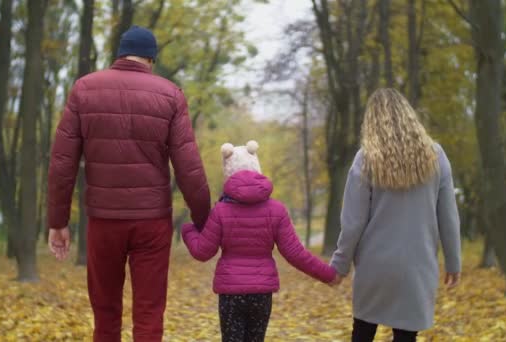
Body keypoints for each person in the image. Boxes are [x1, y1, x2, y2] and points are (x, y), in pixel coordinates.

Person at [47, 26, 211, 342]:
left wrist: (58, 222)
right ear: (151, 58)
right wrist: (205, 220)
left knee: (105, 315)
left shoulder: (84, 89)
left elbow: (62, 163)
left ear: (120, 53)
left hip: (103, 222)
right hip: (152, 223)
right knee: (149, 314)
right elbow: (189, 167)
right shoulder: (170, 95)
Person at [330, 88, 461, 342]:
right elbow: (448, 216)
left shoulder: (366, 159)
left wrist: (340, 264)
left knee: (363, 331)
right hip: (418, 265)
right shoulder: (436, 156)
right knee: (406, 336)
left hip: (374, 266)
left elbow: (353, 222)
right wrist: (454, 261)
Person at [182, 141, 340, 342]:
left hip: (231, 292)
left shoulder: (221, 211)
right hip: (262, 293)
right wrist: (328, 275)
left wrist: (188, 231)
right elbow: (295, 253)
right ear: (257, 168)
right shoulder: (277, 210)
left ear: (228, 172)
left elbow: (202, 251)